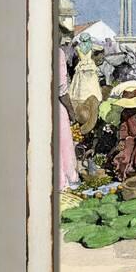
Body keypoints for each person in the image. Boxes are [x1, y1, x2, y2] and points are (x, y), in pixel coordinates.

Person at [58, 47, 79, 190]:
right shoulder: (57, 53)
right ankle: (64, 178)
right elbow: (61, 89)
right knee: (62, 141)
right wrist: (71, 112)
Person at [69, 32, 102, 107]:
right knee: (91, 81)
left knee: (81, 81)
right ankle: (93, 95)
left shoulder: (78, 47)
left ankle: (81, 96)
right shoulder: (92, 46)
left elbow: (76, 55)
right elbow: (101, 48)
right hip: (90, 64)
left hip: (82, 64)